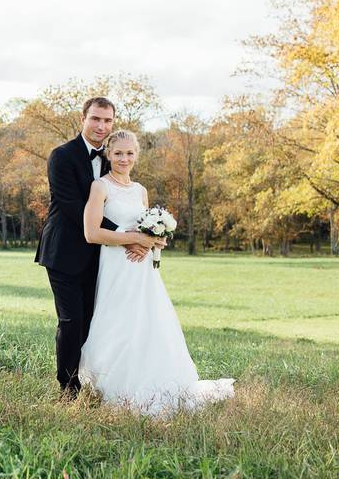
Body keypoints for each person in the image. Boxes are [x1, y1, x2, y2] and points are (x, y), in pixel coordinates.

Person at [80, 129, 235, 416]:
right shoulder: (100, 187)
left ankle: (154, 378)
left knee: (149, 321)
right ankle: (116, 386)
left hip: (142, 270)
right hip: (116, 267)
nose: (124, 158)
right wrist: (134, 240)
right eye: (118, 153)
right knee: (119, 320)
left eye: (129, 153)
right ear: (108, 155)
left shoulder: (140, 190)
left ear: (136, 155)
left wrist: (153, 242)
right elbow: (92, 233)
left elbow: (150, 231)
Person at [35, 97, 150, 399]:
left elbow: (124, 200)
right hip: (64, 252)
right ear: (83, 119)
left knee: (96, 323)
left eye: (107, 120)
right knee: (72, 321)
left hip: (103, 257)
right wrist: (128, 235)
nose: (101, 126)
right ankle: (68, 388)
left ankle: (97, 381)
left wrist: (144, 238)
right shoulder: (62, 156)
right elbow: (73, 207)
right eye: (96, 119)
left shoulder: (113, 158)